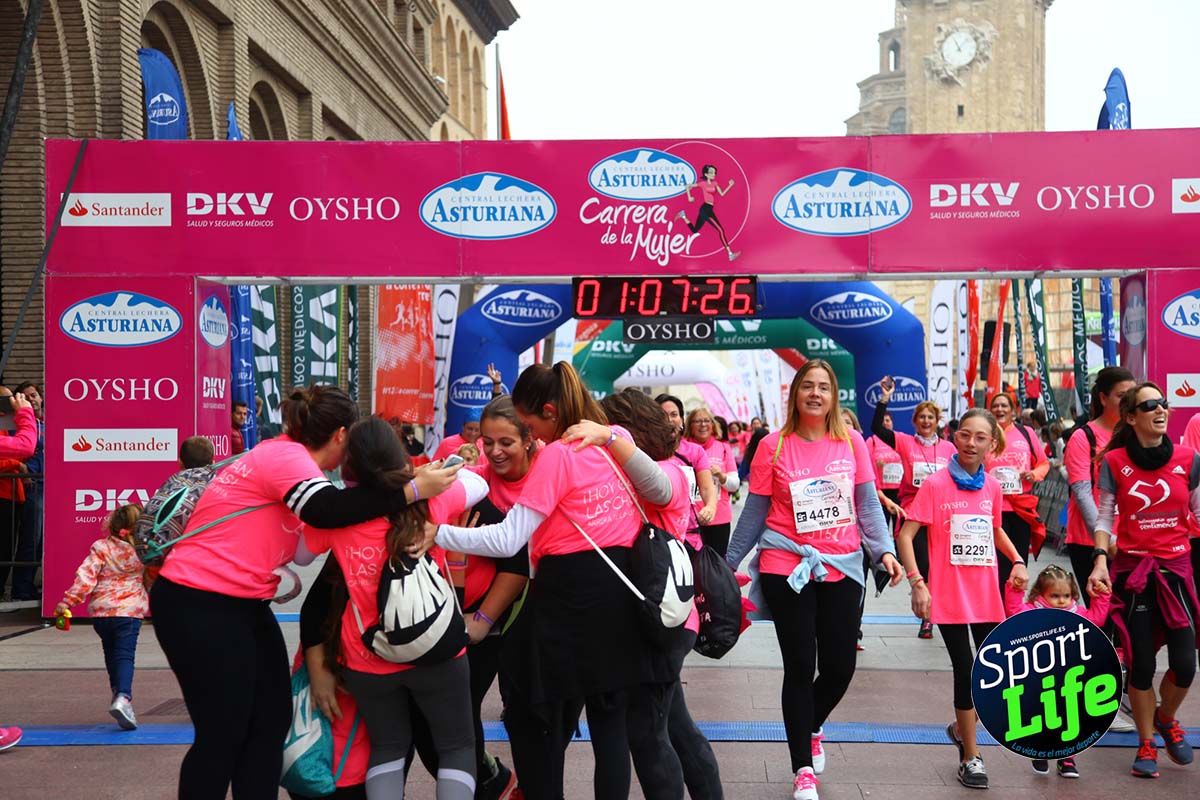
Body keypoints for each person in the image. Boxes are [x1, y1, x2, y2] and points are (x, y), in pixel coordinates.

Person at [150, 384, 463, 800]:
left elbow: (307, 546)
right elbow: (326, 511)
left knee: (268, 724)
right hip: (198, 600)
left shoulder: (294, 466)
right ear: (339, 436)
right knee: (223, 733)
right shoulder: (284, 456)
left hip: (242, 604)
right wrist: (411, 491)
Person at [419, 363, 676, 800]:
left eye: (530, 423)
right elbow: (663, 493)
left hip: (568, 599)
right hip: (621, 598)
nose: (531, 435)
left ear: (550, 412)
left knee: (538, 717)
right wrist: (613, 437)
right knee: (610, 728)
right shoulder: (612, 441)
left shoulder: (558, 453)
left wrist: (436, 533)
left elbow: (507, 539)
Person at [726, 360, 902, 800]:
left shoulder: (853, 442)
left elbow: (867, 506)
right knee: (801, 666)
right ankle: (802, 768)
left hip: (842, 564)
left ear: (833, 396)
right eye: (808, 386)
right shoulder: (773, 445)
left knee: (841, 666)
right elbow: (755, 510)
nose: (816, 394)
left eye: (824, 387)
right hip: (788, 565)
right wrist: (728, 561)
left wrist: (884, 552)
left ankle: (812, 723)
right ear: (796, 394)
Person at [295, 417, 486, 800]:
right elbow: (478, 484)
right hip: (437, 648)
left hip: (368, 654)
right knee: (456, 747)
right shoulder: (431, 499)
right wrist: (424, 476)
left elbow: (300, 556)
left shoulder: (340, 517)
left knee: (387, 747)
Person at [592, 388, 723, 800]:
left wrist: (608, 440)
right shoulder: (645, 470)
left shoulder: (665, 472)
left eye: (612, 427)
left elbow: (656, 491)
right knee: (674, 726)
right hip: (658, 616)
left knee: (648, 734)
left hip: (664, 618)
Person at [897, 408, 1027, 790]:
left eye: (980, 437)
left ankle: (960, 727)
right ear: (956, 438)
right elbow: (906, 535)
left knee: (994, 675)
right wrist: (917, 582)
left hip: (986, 594)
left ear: (992, 443)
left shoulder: (992, 487)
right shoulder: (936, 484)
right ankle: (972, 756)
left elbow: (996, 529)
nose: (971, 443)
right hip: (950, 596)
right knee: (966, 670)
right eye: (965, 435)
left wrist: (1017, 559)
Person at [1087, 382, 1200, 779]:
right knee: (1141, 664)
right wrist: (1100, 558)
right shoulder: (1114, 462)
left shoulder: (1190, 458)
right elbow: (1104, 516)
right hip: (1133, 573)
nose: (1161, 410)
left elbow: (1199, 515)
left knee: (1186, 663)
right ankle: (1147, 742)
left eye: (1163, 404)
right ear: (1130, 417)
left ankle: (1166, 718)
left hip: (1177, 570)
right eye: (1150, 405)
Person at [1004, 564, 1111, 778]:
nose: (1061, 601)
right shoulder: (1032, 611)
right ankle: (1041, 750)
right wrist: (1014, 590)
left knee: (1071, 718)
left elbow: (1096, 619)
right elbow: (1013, 612)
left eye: (1066, 595)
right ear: (1040, 594)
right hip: (1040, 677)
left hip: (1070, 679)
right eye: (1054, 596)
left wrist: (1101, 597)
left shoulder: (1077, 613)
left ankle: (1067, 758)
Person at [870, 376, 956, 639]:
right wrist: (885, 398)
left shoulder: (950, 448)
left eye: (931, 417)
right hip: (914, 513)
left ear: (937, 421)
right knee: (923, 565)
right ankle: (927, 617)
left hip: (942, 516)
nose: (927, 421)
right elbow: (877, 428)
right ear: (915, 422)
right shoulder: (906, 442)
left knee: (940, 566)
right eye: (922, 418)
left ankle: (935, 609)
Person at [54, 504, 147, 730]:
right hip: (129, 611)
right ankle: (123, 698)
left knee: (111, 655)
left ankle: (117, 695)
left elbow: (85, 577)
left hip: (101, 612)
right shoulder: (144, 550)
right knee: (125, 656)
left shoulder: (100, 547)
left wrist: (68, 601)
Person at [1064, 367, 1136, 604]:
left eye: (1132, 395)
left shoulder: (1137, 434)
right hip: (1090, 541)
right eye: (1121, 395)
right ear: (1103, 398)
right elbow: (1083, 493)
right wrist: (1106, 542)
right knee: (1103, 615)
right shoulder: (1083, 437)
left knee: (1136, 617)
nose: (1129, 401)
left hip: (1132, 539)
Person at [986, 393, 1049, 591]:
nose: (1000, 409)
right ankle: (996, 610)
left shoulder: (1026, 432)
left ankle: (1012, 607)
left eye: (1004, 405)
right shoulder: (984, 434)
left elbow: (1043, 463)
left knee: (1018, 560)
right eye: (995, 405)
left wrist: (1034, 474)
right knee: (996, 562)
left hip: (1021, 508)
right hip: (992, 509)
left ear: (1013, 410)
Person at [657, 394, 719, 537]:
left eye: (674, 414)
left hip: (690, 534)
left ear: (682, 420)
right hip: (657, 537)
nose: (669, 420)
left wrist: (710, 507)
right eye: (663, 415)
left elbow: (707, 487)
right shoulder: (645, 451)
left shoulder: (695, 451)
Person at [685, 407, 740, 558]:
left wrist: (721, 476)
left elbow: (735, 484)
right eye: (697, 421)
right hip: (688, 519)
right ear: (690, 425)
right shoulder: (681, 447)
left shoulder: (723, 447)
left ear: (713, 425)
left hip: (718, 518)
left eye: (706, 420)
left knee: (716, 565)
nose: (702, 425)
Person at [0, 389, 36, 600]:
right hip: (4, 493)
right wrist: (25, 413)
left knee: (7, 547)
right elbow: (25, 446)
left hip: (14, 495)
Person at [10, 381, 44, 602]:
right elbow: (13, 447)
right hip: (32, 486)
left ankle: (34, 586)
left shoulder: (49, 424)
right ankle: (21, 589)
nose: (32, 399)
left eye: (34, 395)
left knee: (43, 541)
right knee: (31, 538)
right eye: (26, 396)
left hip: (53, 486)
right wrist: (20, 467)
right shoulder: (20, 425)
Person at [675, 164, 740, 261]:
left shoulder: (715, 183)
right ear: (706, 174)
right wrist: (689, 197)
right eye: (711, 172)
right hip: (705, 209)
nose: (713, 174)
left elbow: (722, 194)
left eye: (714, 172)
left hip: (708, 209)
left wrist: (730, 185)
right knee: (720, 230)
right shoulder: (702, 184)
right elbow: (688, 186)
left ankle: (683, 216)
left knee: (695, 230)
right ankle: (730, 254)